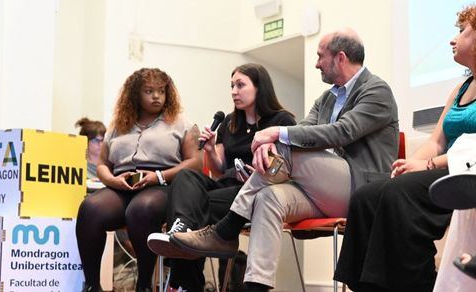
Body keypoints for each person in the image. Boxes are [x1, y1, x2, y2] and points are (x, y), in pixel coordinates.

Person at [170, 28, 399, 291]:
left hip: (361, 190)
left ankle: (225, 231)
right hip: (321, 190)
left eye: (320, 56)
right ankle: (255, 286)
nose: (316, 64)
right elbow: (303, 131)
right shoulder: (326, 99)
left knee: (284, 142)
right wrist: (270, 144)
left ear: (340, 58)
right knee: (269, 198)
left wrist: (274, 134)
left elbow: (342, 132)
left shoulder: (377, 90)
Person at [333, 6, 476, 291]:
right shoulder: (461, 88)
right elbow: (436, 141)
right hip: (440, 168)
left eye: (461, 32)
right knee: (366, 196)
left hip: (464, 171)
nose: (452, 39)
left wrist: (426, 167)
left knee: (399, 195)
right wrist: (406, 166)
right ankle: (364, 286)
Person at [147, 63, 296, 291]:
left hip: (254, 191)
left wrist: (255, 172)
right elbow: (219, 169)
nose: (234, 91)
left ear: (259, 87)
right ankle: (183, 230)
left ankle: (184, 280)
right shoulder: (229, 121)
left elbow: (285, 168)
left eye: (240, 85)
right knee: (186, 176)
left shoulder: (281, 121)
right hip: (226, 184)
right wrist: (208, 150)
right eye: (232, 86)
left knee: (196, 207)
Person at [75, 68, 202, 292]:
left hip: (162, 184)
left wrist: (159, 176)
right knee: (90, 209)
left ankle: (143, 285)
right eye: (149, 91)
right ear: (135, 94)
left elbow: (194, 163)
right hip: (123, 184)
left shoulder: (181, 123)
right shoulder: (118, 125)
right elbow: (103, 163)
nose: (156, 96)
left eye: (161, 91)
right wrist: (113, 181)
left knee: (140, 209)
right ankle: (92, 286)